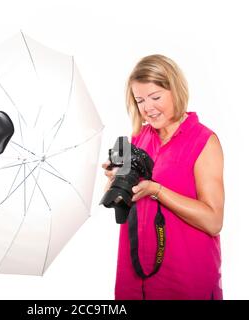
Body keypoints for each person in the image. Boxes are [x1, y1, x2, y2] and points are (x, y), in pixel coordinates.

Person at [102, 54, 224, 300]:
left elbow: (213, 221)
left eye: (156, 97)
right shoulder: (138, 139)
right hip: (135, 278)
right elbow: (126, 202)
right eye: (140, 100)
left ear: (175, 90)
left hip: (186, 281)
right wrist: (115, 179)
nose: (148, 108)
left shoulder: (203, 141)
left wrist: (157, 190)